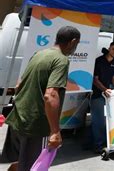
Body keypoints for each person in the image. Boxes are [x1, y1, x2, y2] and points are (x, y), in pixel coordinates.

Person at [6, 26, 80, 171]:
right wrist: (54, 131)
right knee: (34, 165)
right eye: (76, 44)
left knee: (20, 162)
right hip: (36, 126)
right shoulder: (61, 60)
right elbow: (51, 95)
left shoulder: (39, 54)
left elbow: (19, 84)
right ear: (73, 42)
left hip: (18, 119)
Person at [90, 41, 114, 153]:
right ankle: (98, 146)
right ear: (109, 49)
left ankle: (98, 143)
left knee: (105, 120)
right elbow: (95, 79)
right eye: (113, 49)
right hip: (97, 94)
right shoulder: (99, 61)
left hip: (107, 95)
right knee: (98, 121)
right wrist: (104, 89)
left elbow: (113, 79)